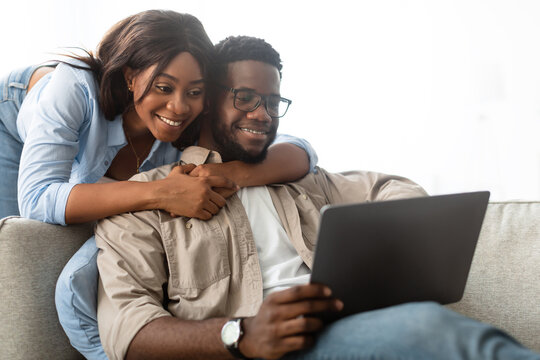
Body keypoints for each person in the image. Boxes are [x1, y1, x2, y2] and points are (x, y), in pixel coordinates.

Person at [95, 36, 540, 359]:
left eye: (273, 101)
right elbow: (127, 332)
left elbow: (390, 188)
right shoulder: (143, 202)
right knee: (437, 331)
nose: (262, 115)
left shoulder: (300, 179)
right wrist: (241, 334)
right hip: (256, 349)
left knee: (433, 328)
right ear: (207, 100)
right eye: (245, 98)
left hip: (345, 330)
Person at [0, 9, 317, 360]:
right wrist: (161, 192)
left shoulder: (191, 118)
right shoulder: (74, 87)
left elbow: (301, 150)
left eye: (194, 91)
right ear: (131, 77)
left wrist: (235, 174)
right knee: (21, 244)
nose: (179, 107)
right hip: (11, 121)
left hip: (104, 161)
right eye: (164, 87)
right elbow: (38, 198)